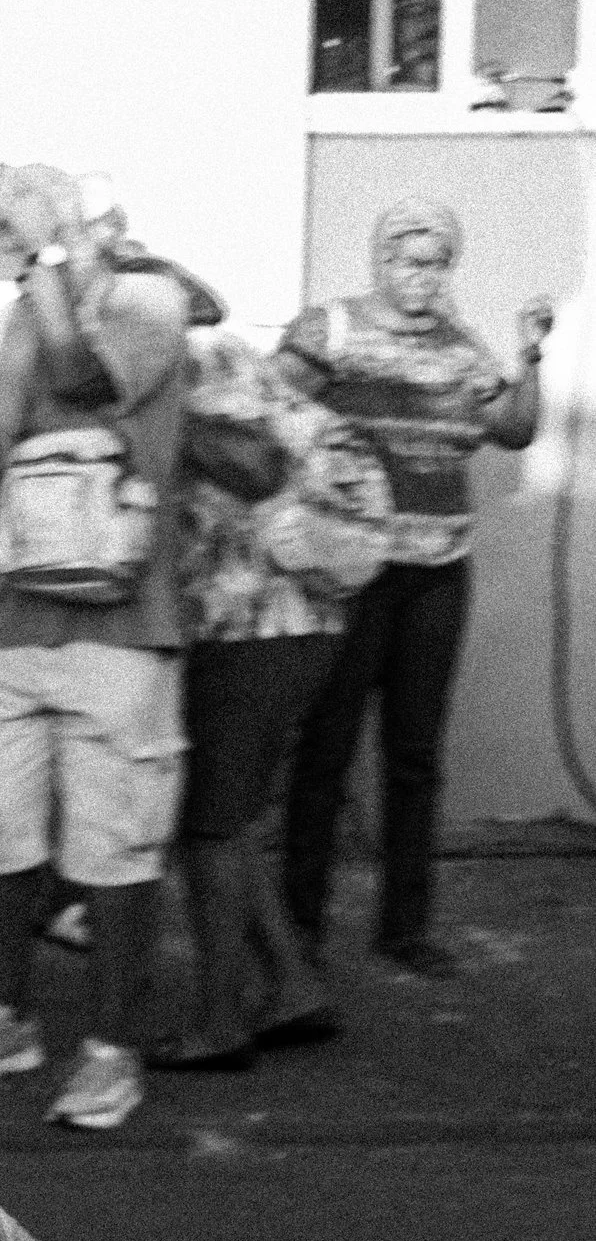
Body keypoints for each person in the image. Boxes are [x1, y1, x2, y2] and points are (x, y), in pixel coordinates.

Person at [0, 166, 202, 1135]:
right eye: (12, 259)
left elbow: (84, 377)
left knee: (114, 842)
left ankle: (110, 1049)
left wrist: (50, 265)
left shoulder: (150, 306)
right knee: (7, 831)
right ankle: (5, 1018)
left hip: (122, 629)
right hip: (13, 624)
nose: (17, 279)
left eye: (30, 253)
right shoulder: (4, 326)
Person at [277, 201, 551, 977]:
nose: (419, 278)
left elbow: (514, 429)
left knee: (415, 753)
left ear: (447, 271)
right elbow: (266, 407)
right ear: (380, 263)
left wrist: (530, 359)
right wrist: (320, 481)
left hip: (438, 572)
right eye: (405, 261)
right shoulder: (331, 329)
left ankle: (404, 926)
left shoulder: (463, 348)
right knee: (326, 748)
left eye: (434, 264)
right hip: (354, 573)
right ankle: (297, 926)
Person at [152, 330, 395, 1068]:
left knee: (212, 828)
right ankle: (293, 988)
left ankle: (219, 1024)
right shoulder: (242, 378)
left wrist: (163, 420)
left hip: (254, 630)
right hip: (300, 629)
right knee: (230, 819)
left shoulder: (199, 384)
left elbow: (254, 467)